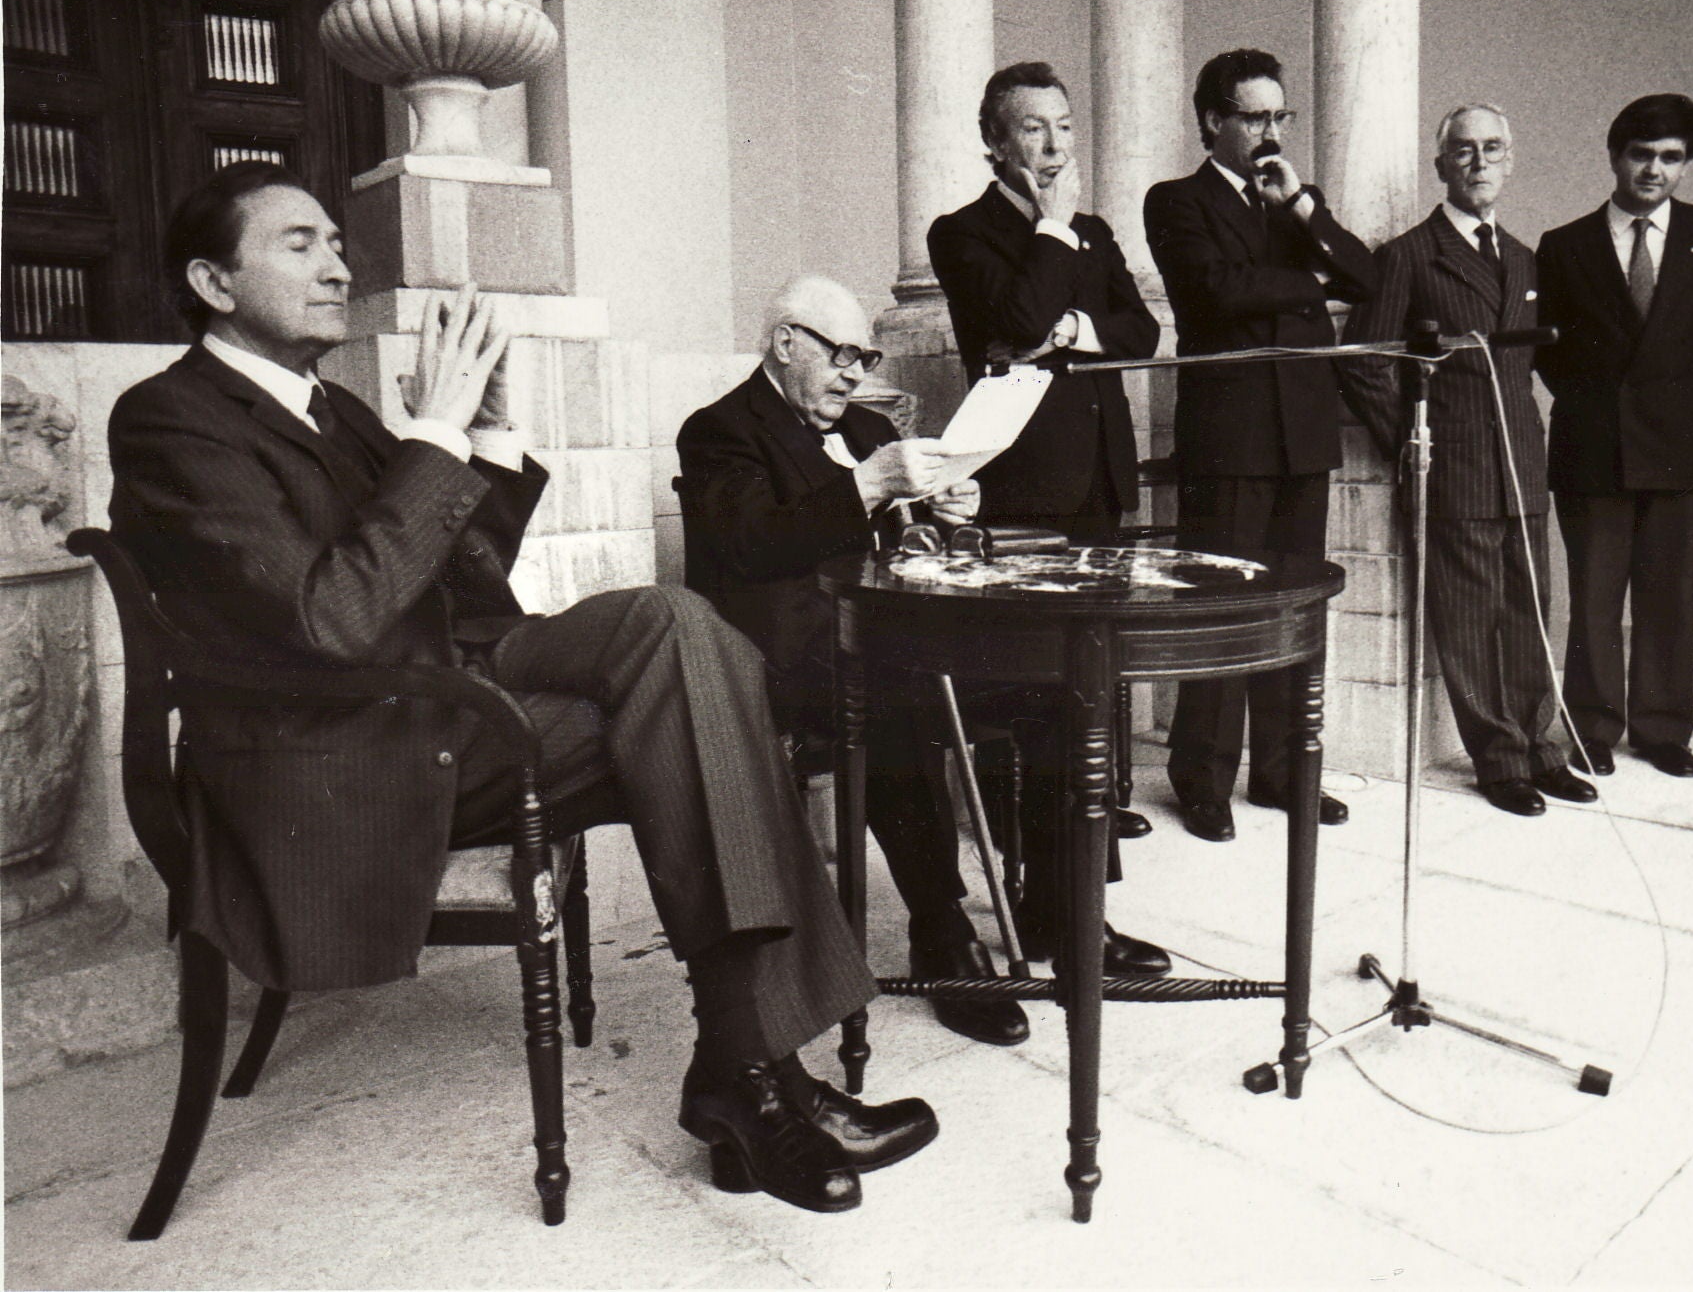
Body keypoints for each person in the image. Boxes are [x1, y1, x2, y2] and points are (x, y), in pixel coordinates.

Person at [107, 161, 934, 1215]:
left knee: (680, 625)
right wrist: (432, 436)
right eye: (299, 244)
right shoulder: (170, 420)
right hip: (341, 758)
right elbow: (333, 621)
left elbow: (467, 583)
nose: (336, 265)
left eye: (334, 241)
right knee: (691, 709)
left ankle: (746, 1070)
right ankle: (752, 1076)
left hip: (434, 688)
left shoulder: (338, 412)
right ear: (213, 283)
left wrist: (484, 435)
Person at [676, 274, 1031, 1048]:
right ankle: (942, 930)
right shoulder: (718, 431)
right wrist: (867, 486)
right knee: (894, 696)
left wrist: (952, 511)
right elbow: (753, 542)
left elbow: (908, 536)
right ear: (785, 342)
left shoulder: (867, 427)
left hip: (881, 639)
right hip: (777, 657)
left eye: (864, 357)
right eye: (841, 354)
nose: (854, 372)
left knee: (1038, 674)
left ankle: (1056, 911)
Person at [1143, 47, 1377, 842]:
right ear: (1214, 121)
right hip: (1232, 435)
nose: (1272, 131)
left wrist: (1307, 212)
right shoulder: (1174, 200)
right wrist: (1313, 285)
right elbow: (1215, 292)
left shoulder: (1293, 205)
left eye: (1282, 116)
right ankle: (1201, 777)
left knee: (1292, 608)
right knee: (1220, 607)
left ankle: (1283, 772)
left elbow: (1370, 279)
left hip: (1302, 434)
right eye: (1256, 116)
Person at [928, 59, 1161, 843]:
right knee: (1025, 677)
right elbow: (1019, 316)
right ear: (995, 145)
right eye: (1034, 129)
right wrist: (1054, 235)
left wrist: (1069, 331)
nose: (1056, 146)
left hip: (1097, 474)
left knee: (1090, 673)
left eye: (1065, 127)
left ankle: (1086, 815)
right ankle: (1018, 837)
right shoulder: (960, 233)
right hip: (1022, 480)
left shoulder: (1095, 233)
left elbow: (1141, 331)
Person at [1340, 104, 1595, 817]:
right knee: (1471, 617)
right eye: (1464, 150)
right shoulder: (1409, 256)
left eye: (1492, 148)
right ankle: (1501, 759)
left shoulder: (1522, 256)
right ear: (1442, 165)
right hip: (1453, 464)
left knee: (1531, 612)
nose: (1479, 161)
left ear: (1510, 159)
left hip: (1521, 462)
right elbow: (1364, 365)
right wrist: (1419, 441)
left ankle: (1544, 750)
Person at [1534, 94, 1693, 780]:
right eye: (1641, 155)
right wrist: (1606, 400)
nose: (1655, 169)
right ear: (1616, 156)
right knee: (1594, 595)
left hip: (1683, 441)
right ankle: (1590, 727)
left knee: (1670, 593)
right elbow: (1551, 351)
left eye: (1671, 157)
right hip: (1592, 442)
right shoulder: (1563, 245)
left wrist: (1662, 393)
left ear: (1686, 164)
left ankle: (1662, 730)